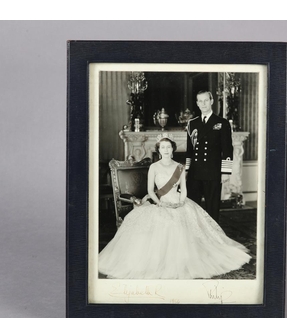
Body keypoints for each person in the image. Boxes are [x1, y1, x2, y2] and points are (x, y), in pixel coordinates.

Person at [98, 134, 250, 279]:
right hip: (160, 202)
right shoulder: (154, 167)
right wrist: (160, 203)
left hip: (178, 202)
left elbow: (183, 189)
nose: (166, 150)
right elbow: (151, 191)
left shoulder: (179, 167)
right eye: (162, 147)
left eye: (168, 147)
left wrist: (181, 202)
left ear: (172, 149)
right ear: (158, 149)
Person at [185, 90, 233, 223]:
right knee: (192, 206)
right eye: (200, 101)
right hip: (195, 172)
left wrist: (226, 172)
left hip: (213, 171)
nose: (203, 103)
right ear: (197, 103)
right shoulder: (192, 123)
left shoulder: (222, 123)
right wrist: (187, 170)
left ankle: (213, 236)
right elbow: (190, 150)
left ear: (211, 101)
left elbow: (227, 149)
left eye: (206, 100)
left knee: (212, 208)